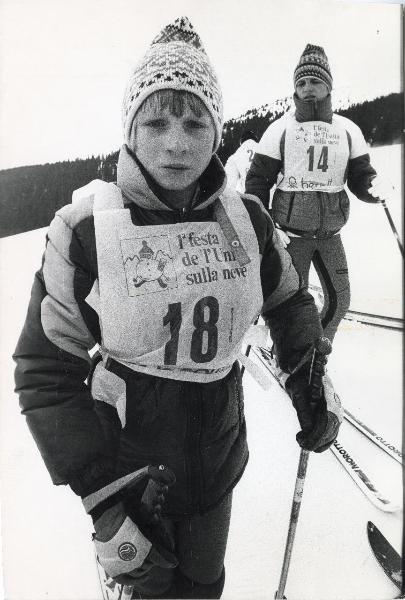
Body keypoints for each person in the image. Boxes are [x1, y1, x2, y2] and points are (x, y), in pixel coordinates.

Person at [13, 20, 343, 600]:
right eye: (156, 122)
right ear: (130, 131)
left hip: (216, 468)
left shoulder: (248, 223)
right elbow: (46, 371)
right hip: (129, 481)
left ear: (216, 132)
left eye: (195, 123)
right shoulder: (87, 231)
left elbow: (289, 303)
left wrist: (308, 376)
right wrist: (103, 499)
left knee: (204, 587)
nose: (175, 143)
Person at [245, 44, 385, 342]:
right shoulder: (280, 129)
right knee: (289, 305)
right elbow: (257, 181)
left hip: (330, 235)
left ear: (328, 86)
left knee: (340, 302)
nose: (308, 88)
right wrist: (265, 225)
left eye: (315, 81)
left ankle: (317, 352)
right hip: (291, 236)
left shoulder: (347, 130)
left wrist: (373, 188)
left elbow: (361, 177)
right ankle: (288, 352)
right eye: (301, 82)